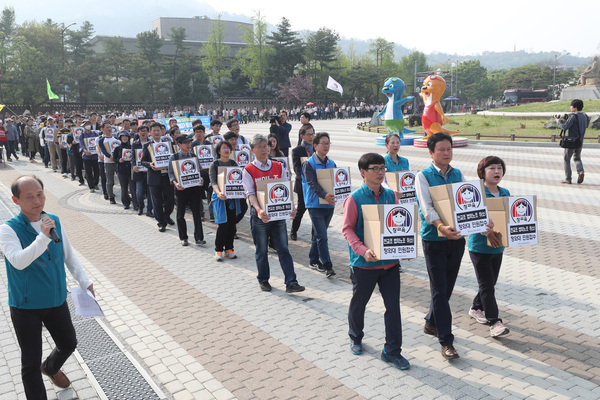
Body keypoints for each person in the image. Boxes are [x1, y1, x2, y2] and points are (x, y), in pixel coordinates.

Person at [0, 175, 95, 399]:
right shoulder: (8, 230)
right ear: (16, 200)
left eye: (40, 194)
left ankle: (50, 367)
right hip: (26, 306)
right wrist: (42, 238)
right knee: (30, 363)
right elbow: (19, 261)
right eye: (29, 196)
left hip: (56, 299)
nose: (37, 200)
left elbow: (68, 255)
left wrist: (84, 280)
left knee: (69, 343)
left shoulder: (53, 221)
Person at [415, 133, 486, 360]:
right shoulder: (423, 176)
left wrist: (483, 222)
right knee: (439, 290)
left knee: (445, 290)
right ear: (431, 152)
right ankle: (446, 341)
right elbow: (426, 208)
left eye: (449, 149)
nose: (446, 153)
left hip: (456, 241)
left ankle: (431, 322)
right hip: (434, 240)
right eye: (441, 150)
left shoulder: (457, 174)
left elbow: (466, 204)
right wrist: (441, 226)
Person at [342, 153, 410, 370]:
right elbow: (348, 229)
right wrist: (362, 250)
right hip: (364, 264)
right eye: (375, 168)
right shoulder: (354, 198)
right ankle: (355, 336)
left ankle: (392, 351)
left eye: (383, 168)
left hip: (390, 265)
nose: (380, 172)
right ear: (363, 172)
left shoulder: (392, 195)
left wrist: (406, 245)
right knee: (359, 304)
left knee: (393, 308)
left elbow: (400, 225)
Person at [242, 134, 305, 293]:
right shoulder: (248, 170)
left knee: (283, 248)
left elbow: (285, 188)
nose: (264, 149)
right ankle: (263, 279)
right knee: (261, 250)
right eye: (260, 147)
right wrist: (259, 209)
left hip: (278, 216)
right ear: (252, 150)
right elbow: (250, 194)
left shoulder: (278, 166)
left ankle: (291, 282)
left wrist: (292, 206)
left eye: (266, 146)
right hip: (260, 217)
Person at [468, 156, 510, 337]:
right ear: (482, 172)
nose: (497, 171)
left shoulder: (505, 193)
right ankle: (495, 322)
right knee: (487, 285)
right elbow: (473, 219)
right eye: (491, 168)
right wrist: (489, 233)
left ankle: (476, 307)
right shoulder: (476, 193)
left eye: (499, 168)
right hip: (479, 247)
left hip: (497, 247)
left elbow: (508, 218)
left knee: (490, 283)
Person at [301, 132, 337, 277]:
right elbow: (312, 183)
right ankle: (328, 266)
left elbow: (338, 182)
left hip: (329, 205)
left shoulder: (332, 163)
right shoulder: (308, 164)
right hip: (315, 205)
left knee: (318, 235)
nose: (326, 146)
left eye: (328, 143)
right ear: (315, 146)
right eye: (323, 143)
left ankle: (313, 260)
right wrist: (324, 195)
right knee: (322, 236)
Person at [168, 135, 205, 246]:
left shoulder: (194, 156)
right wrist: (175, 183)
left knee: (197, 214)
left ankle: (199, 238)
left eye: (189, 142)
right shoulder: (174, 157)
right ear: (179, 145)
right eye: (185, 143)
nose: (188, 145)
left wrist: (201, 179)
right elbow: (171, 173)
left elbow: (199, 170)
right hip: (181, 189)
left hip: (194, 189)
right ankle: (183, 237)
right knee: (180, 214)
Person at [210, 141, 242, 261]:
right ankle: (218, 250)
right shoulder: (215, 164)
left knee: (231, 225)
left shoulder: (233, 163)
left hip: (232, 199)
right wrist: (219, 193)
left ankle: (229, 249)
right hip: (220, 199)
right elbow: (213, 181)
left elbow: (238, 179)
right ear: (219, 151)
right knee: (223, 225)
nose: (226, 149)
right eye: (223, 147)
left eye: (228, 147)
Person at [141, 122, 175, 232]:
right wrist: (150, 165)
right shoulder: (147, 145)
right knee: (157, 202)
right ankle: (161, 222)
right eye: (154, 130)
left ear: (162, 131)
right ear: (150, 132)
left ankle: (166, 215)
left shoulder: (168, 144)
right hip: (154, 178)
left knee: (170, 200)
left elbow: (173, 158)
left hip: (167, 177)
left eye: (158, 130)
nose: (156, 132)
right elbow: (143, 161)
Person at [290, 124, 315, 240]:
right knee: (301, 209)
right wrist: (306, 181)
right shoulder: (297, 150)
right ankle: (293, 231)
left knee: (316, 211)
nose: (311, 137)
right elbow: (296, 169)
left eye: (312, 134)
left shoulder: (316, 149)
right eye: (308, 134)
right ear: (302, 136)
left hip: (316, 186)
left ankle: (314, 235)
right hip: (303, 186)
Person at [555, 99, 587, 184]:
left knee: (567, 160)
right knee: (577, 158)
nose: (570, 107)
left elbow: (565, 127)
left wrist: (558, 122)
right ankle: (580, 172)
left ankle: (568, 178)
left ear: (575, 108)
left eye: (571, 106)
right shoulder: (584, 116)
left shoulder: (573, 116)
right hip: (580, 141)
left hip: (571, 142)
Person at [98, 122, 119, 204]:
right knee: (110, 181)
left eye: (110, 127)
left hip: (118, 162)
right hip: (108, 162)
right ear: (103, 129)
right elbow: (103, 150)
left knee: (122, 180)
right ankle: (111, 197)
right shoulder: (101, 140)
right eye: (107, 127)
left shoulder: (116, 138)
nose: (109, 129)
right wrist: (109, 156)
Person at [113, 131, 133, 210]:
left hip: (131, 169)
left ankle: (135, 202)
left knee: (132, 187)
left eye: (126, 136)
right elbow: (114, 159)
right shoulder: (117, 148)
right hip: (121, 169)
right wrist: (118, 160)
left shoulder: (132, 147)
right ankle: (126, 203)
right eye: (123, 136)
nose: (125, 138)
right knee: (124, 187)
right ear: (120, 138)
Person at [79, 121, 100, 193]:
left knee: (97, 170)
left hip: (95, 156)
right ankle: (91, 186)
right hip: (86, 157)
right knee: (88, 172)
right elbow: (82, 145)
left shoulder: (95, 134)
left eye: (89, 124)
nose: (88, 126)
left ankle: (95, 183)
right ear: (83, 126)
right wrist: (85, 151)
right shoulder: (82, 135)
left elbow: (98, 143)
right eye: (86, 125)